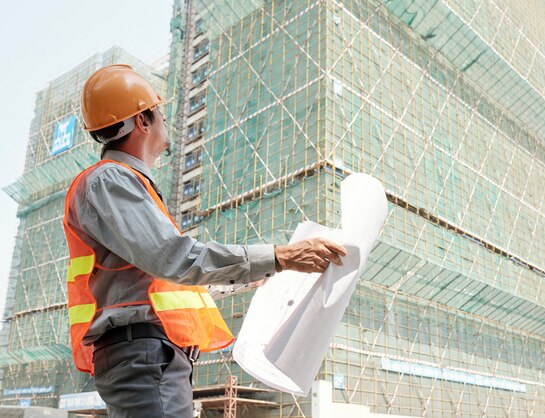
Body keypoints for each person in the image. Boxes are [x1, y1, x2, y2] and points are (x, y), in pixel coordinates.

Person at [62, 64, 346, 418]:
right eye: (159, 111)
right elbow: (175, 259)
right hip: (145, 356)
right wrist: (279, 256)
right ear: (142, 121)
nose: (165, 120)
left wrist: (256, 274)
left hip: (151, 357)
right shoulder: (111, 181)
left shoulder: (126, 187)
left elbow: (161, 282)